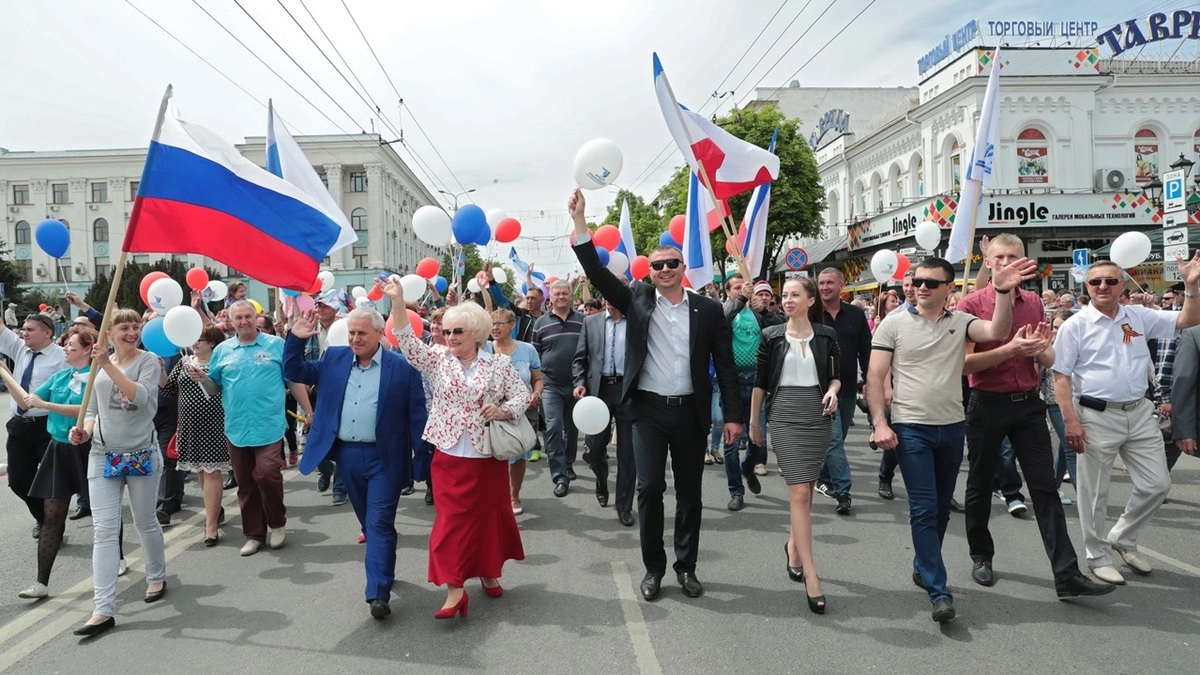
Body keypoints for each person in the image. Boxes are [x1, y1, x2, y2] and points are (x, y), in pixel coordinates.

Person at [569, 188, 741, 602]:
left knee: (690, 494)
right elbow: (597, 272)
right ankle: (654, 569)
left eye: (672, 264)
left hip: (690, 413)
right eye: (658, 265)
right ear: (650, 272)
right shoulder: (637, 301)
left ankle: (686, 567)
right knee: (649, 490)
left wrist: (733, 416)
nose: (664, 270)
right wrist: (579, 223)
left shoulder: (709, 310)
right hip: (647, 411)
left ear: (684, 267)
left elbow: (728, 366)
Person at [868, 255, 1034, 623]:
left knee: (942, 508)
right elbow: (875, 377)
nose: (921, 287)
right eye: (918, 281)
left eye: (931, 282)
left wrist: (1003, 291)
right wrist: (881, 423)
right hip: (911, 428)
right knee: (925, 508)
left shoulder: (960, 322)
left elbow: (996, 332)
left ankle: (923, 566)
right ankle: (939, 591)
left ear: (947, 289)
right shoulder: (891, 325)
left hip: (952, 426)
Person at [955, 234, 1115, 599]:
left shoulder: (1032, 304)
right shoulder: (970, 303)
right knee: (980, 483)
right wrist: (1010, 348)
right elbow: (964, 364)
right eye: (1000, 257)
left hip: (1028, 404)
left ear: (1024, 261)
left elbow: (1048, 359)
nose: (1007, 262)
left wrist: (1041, 351)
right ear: (990, 261)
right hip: (987, 402)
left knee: (1045, 489)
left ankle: (1066, 574)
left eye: (1014, 256)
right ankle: (981, 554)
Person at [384, 279, 529, 619]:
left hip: (487, 456)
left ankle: (489, 572)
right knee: (450, 522)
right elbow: (406, 341)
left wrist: (505, 410)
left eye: (457, 331)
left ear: (476, 333)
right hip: (448, 455)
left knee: (488, 518)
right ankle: (454, 589)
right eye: (446, 332)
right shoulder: (437, 360)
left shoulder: (498, 365)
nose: (449, 338)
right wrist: (398, 302)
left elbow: (522, 395)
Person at [1053, 257, 1200, 585]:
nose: (1102, 287)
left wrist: (1190, 285)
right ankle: (1097, 555)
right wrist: (1071, 423)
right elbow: (1060, 377)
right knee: (1095, 493)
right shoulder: (1075, 325)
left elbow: (1189, 319)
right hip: (1094, 415)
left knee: (1157, 484)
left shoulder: (1139, 315)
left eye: (1110, 281)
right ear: (1087, 287)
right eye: (1095, 282)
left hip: (1138, 413)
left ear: (1122, 285)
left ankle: (1122, 537)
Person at [284, 306, 429, 619]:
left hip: (384, 459)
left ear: (379, 333)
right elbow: (294, 372)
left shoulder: (402, 368)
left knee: (378, 523)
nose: (355, 338)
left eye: (362, 333)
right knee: (368, 520)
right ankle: (382, 561)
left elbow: (418, 418)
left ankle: (378, 592)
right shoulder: (334, 358)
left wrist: (422, 464)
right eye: (351, 332)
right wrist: (294, 340)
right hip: (347, 456)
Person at [68, 309, 167, 637]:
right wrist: (84, 430)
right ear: (108, 333)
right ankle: (103, 609)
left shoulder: (148, 360)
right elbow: (93, 408)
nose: (131, 332)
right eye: (123, 327)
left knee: (145, 522)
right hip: (102, 455)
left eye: (135, 326)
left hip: (141, 453)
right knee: (105, 531)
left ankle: (156, 575)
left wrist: (108, 365)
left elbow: (139, 397)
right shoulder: (100, 363)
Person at [190, 300, 312, 557]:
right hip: (236, 428)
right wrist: (204, 381)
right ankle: (254, 535)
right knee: (245, 483)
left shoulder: (276, 345)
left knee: (267, 474)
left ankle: (277, 523)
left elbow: (293, 380)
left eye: (248, 316)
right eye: (239, 318)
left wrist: (310, 411)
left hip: (268, 425)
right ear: (231, 322)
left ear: (256, 318)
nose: (244, 321)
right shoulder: (223, 350)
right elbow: (215, 388)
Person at [750, 277, 840, 614]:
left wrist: (833, 390)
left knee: (806, 491)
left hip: (817, 413)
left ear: (810, 299)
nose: (787, 300)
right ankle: (812, 576)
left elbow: (836, 375)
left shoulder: (827, 336)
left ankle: (793, 545)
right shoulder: (770, 336)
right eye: (784, 295)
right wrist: (754, 422)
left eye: (794, 295)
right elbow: (760, 383)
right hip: (784, 412)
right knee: (800, 493)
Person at [16, 326, 96, 599]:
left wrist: (46, 405)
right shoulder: (61, 376)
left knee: (101, 512)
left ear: (87, 350)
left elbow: (85, 410)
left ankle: (118, 558)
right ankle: (41, 583)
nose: (65, 349)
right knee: (52, 516)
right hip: (58, 449)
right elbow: (28, 401)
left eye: (71, 345)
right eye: (65, 344)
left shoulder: (97, 377)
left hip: (86, 449)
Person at [1, 312, 66, 539]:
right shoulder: (20, 348)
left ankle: (53, 526)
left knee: (51, 482)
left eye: (30, 329)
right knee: (18, 481)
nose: (23, 333)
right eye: (23, 328)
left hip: (48, 425)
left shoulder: (62, 357)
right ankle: (42, 517)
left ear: (47, 333)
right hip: (20, 425)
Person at [163, 325, 229, 546]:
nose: (196, 342)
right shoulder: (184, 362)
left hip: (213, 423)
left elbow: (224, 389)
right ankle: (215, 509)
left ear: (212, 342)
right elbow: (168, 389)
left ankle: (210, 525)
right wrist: (160, 370)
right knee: (201, 471)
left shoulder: (220, 363)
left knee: (211, 471)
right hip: (189, 425)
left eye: (200, 339)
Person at [719, 277, 782, 510]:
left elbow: (779, 331)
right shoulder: (723, 310)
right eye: (738, 288)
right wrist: (742, 299)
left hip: (757, 385)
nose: (743, 291)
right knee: (732, 442)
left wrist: (764, 311)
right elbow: (721, 323)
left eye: (746, 288)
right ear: (728, 292)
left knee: (758, 438)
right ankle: (736, 490)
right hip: (732, 386)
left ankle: (748, 467)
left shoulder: (757, 313)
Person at [572, 298, 636, 526]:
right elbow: (580, 358)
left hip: (628, 391)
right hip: (599, 391)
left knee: (628, 452)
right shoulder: (591, 322)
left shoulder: (636, 321)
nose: (609, 300)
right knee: (596, 446)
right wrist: (579, 382)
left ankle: (624, 506)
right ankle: (601, 479)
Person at [816, 267, 872, 516]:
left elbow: (866, 350)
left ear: (841, 286)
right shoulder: (811, 313)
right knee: (834, 438)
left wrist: (871, 380)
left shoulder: (856, 315)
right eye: (821, 283)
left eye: (829, 283)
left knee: (839, 437)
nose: (825, 287)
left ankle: (822, 476)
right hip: (821, 388)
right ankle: (843, 492)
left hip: (848, 386)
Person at [485, 309, 542, 515]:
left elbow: (537, 378)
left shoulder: (527, 350)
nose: (495, 327)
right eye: (492, 323)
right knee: (492, 454)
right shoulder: (483, 349)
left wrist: (536, 393)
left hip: (522, 409)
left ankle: (513, 495)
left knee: (518, 454)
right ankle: (494, 495)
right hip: (491, 412)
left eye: (500, 323)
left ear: (512, 325)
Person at [531, 279, 585, 497]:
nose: (561, 297)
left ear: (571, 296)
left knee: (572, 429)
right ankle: (560, 476)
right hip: (551, 386)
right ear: (549, 298)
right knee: (553, 428)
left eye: (565, 293)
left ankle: (569, 463)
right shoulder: (540, 323)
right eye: (557, 294)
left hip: (576, 385)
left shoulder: (584, 321)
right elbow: (535, 356)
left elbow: (589, 352)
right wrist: (537, 382)